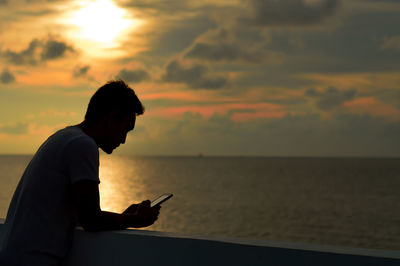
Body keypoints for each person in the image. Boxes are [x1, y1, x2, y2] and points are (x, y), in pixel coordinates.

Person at [0, 80, 160, 266]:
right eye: (125, 129)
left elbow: (78, 213)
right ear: (112, 117)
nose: (124, 140)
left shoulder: (63, 137)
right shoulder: (82, 145)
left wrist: (123, 216)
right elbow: (91, 220)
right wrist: (134, 220)